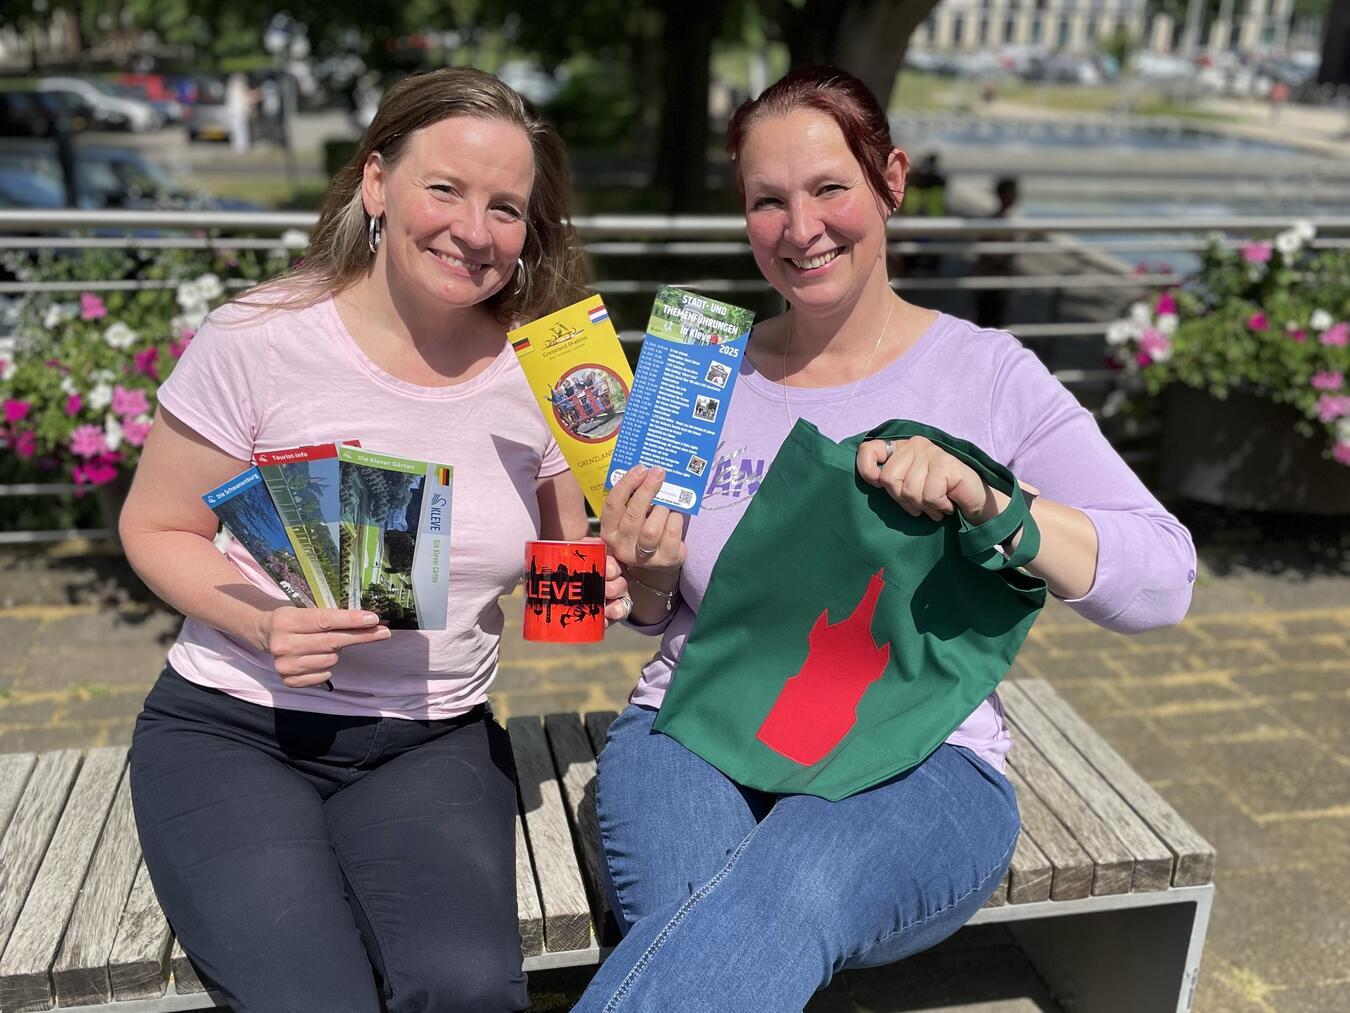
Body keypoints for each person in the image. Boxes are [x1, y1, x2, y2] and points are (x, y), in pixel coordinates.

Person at [585, 66, 1196, 1011]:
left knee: (783, 890)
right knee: (706, 911)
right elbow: (654, 611)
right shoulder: (701, 378)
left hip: (925, 752)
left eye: (830, 187)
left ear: (891, 179)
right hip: (693, 725)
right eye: (767, 201)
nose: (800, 229)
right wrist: (647, 574)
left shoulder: (989, 374)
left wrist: (998, 505)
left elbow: (1164, 582)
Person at [121, 68, 623, 1013]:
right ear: (375, 184)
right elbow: (154, 526)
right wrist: (266, 620)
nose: (474, 230)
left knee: (467, 990)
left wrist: (626, 577)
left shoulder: (549, 368)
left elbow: (567, 595)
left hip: (430, 742)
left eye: (506, 207)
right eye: (446, 188)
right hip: (238, 727)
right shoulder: (261, 336)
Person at [973, 175, 1020, 329]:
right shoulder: (995, 221)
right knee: (989, 322)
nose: (1015, 197)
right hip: (991, 282)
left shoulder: (1002, 220)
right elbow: (989, 254)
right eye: (1012, 193)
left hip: (997, 281)